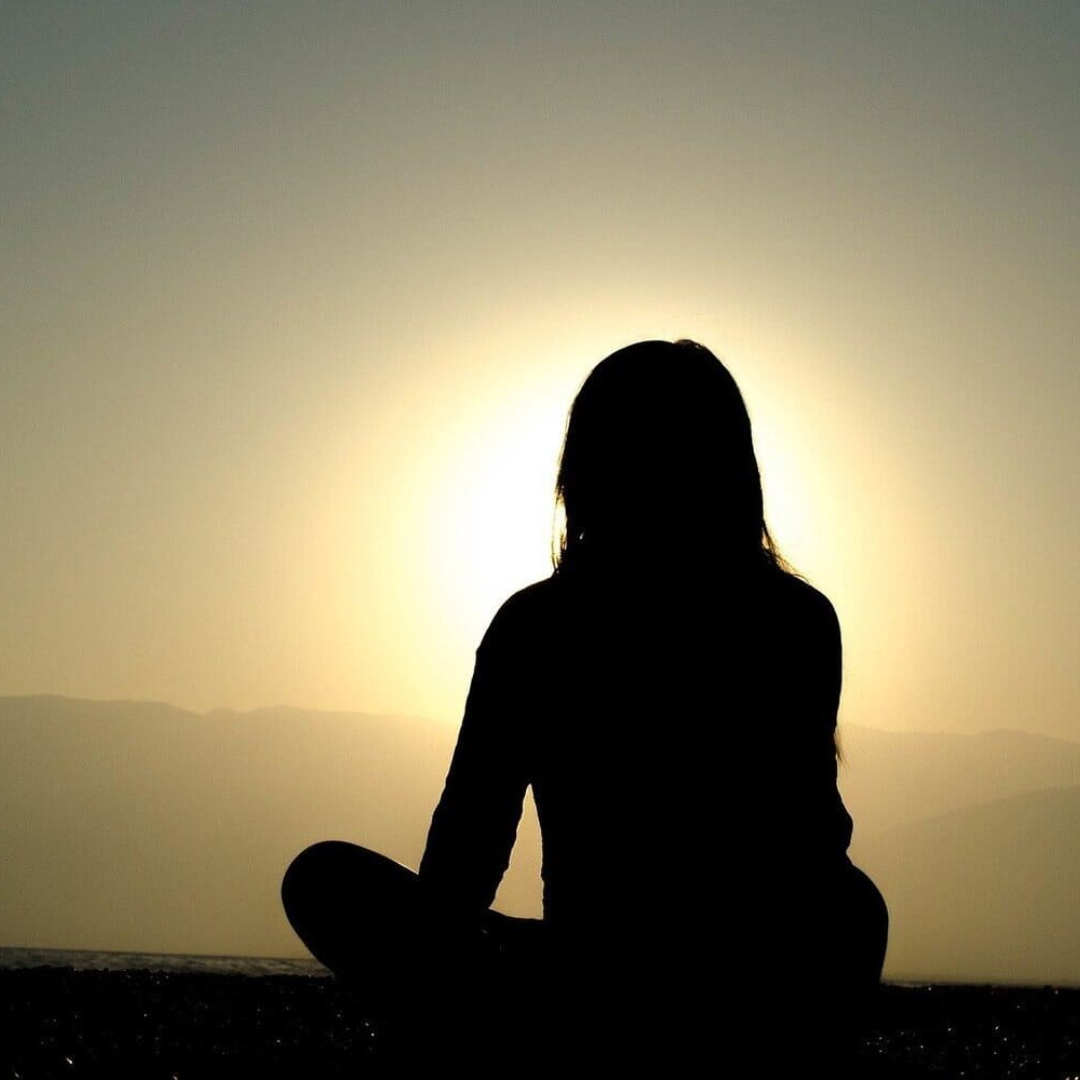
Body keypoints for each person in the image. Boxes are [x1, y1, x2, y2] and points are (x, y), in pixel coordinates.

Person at [281, 339, 889, 1073]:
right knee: (852, 906)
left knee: (325, 881)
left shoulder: (539, 625)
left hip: (608, 981)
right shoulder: (794, 617)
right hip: (714, 981)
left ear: (583, 470)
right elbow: (810, 840)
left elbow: (467, 850)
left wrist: (440, 969)